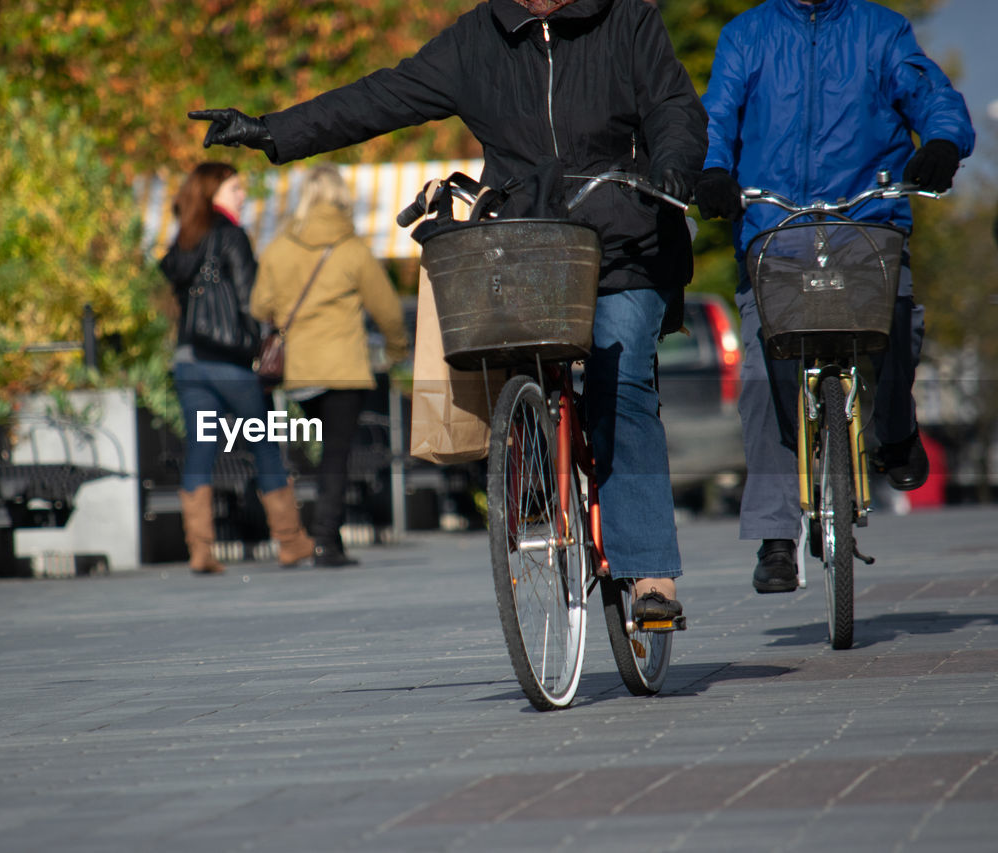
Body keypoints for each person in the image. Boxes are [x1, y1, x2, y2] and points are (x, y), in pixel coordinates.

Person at [192, 0, 707, 619]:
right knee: (505, 362)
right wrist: (273, 131)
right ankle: (535, 474)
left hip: (627, 239)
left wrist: (675, 163)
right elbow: (382, 96)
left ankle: (650, 572)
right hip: (528, 243)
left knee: (619, 380)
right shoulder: (479, 39)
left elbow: (674, 106)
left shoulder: (628, 20)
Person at [694, 0, 975, 593]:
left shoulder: (881, 31)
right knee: (758, 364)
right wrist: (713, 170)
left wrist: (944, 142)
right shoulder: (747, 35)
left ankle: (896, 430)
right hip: (775, 227)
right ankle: (776, 534)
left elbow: (931, 94)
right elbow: (716, 114)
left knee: (897, 315)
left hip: (866, 218)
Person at [159, 162, 315, 574]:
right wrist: (263, 341)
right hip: (230, 364)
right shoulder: (232, 236)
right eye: (234, 188)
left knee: (200, 449)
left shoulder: (183, 241)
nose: (242, 195)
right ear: (213, 194)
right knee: (264, 447)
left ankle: (201, 550)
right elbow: (251, 301)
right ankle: (291, 542)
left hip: (189, 361)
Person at [251, 165, 410, 567]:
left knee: (318, 452)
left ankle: (320, 533)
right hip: (344, 368)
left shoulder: (279, 247)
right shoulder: (352, 249)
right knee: (337, 454)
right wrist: (395, 350)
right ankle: (326, 541)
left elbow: (259, 306)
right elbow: (388, 310)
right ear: (341, 199)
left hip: (300, 371)